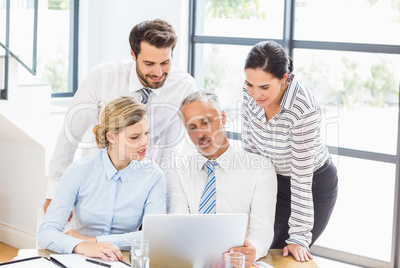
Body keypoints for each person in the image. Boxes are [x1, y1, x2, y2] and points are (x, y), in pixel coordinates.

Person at [43, 18, 196, 214]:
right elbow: (70, 135)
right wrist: (55, 192)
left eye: (165, 63)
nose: (158, 72)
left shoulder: (183, 86)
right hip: (98, 182)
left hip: (146, 185)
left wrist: (172, 208)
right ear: (133, 54)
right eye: (149, 63)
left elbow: (169, 153)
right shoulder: (103, 77)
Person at [242, 40, 338, 262]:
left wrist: (299, 236)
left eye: (265, 87)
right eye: (250, 85)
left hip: (312, 185)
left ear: (284, 78)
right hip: (273, 180)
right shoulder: (250, 89)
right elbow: (250, 148)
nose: (255, 94)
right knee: (256, 250)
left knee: (284, 255)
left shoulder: (303, 107)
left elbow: (301, 176)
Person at [38, 97, 166, 261]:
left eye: (147, 133)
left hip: (124, 260)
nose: (145, 142)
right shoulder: (79, 171)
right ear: (111, 137)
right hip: (80, 258)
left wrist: (93, 241)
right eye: (134, 137)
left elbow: (155, 237)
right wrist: (82, 246)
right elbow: (46, 232)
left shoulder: (153, 176)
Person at [167, 90, 277, 268]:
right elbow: (180, 225)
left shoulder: (260, 168)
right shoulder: (177, 170)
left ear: (223, 118)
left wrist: (253, 250)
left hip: (237, 261)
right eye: (192, 127)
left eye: (205, 122)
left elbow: (263, 228)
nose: (200, 134)